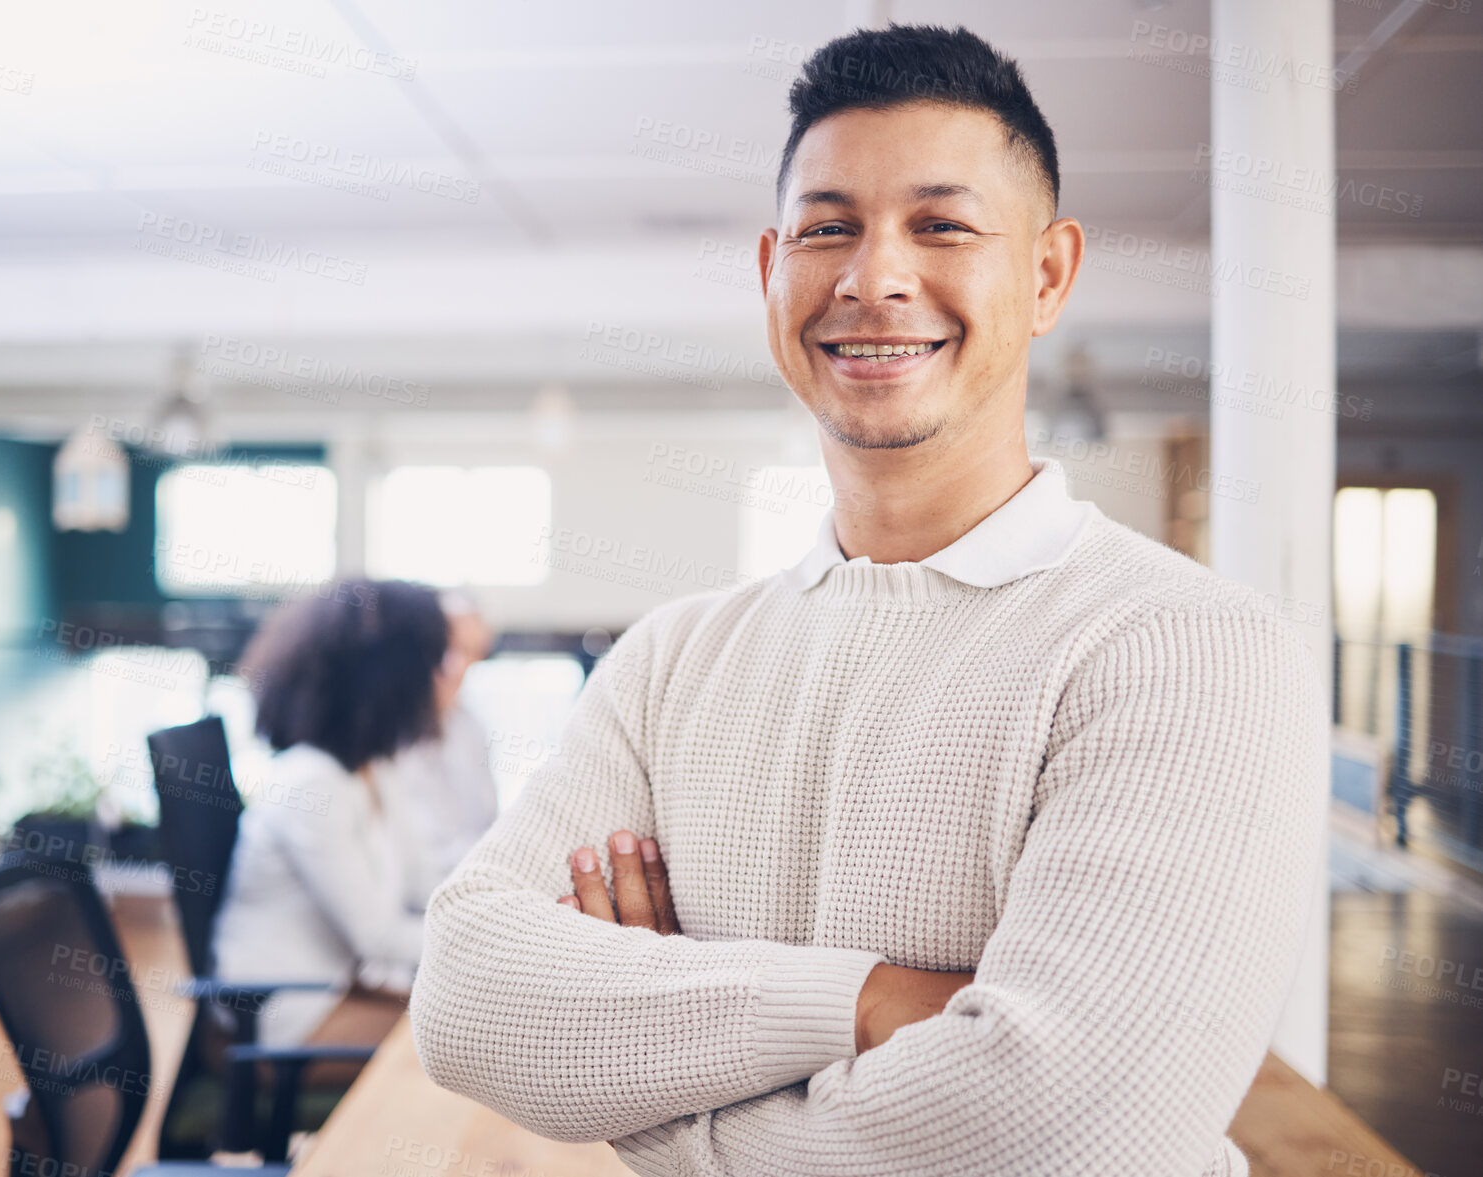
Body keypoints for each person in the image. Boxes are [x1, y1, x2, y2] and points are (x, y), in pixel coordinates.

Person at [409, 24, 1326, 1177]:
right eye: (827, 227)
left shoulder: (1188, 649)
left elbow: (1059, 1134)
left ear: (1047, 275)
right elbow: (470, 997)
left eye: (941, 225)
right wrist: (879, 1001)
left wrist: (649, 1080)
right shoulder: (673, 658)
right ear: (770, 269)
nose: (873, 276)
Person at [212, 578, 448, 1047]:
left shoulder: (373, 767)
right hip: (285, 1010)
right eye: (435, 662)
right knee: (468, 1051)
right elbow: (377, 937)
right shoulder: (310, 783)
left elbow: (425, 881)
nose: (444, 676)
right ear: (391, 679)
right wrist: (492, 948)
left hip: (342, 986)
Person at [373, 593, 500, 912]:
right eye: (445, 646)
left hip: (471, 892)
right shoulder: (377, 730)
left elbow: (486, 825)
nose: (454, 665)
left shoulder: (469, 726)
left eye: (470, 652)